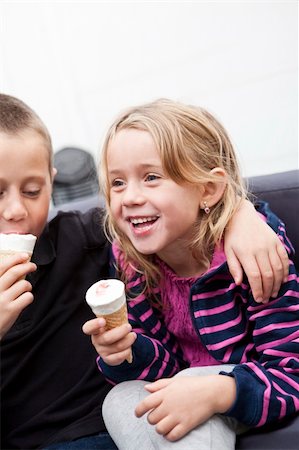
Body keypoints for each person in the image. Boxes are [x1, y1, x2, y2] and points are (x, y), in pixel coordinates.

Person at [83, 99, 299, 450]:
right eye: (117, 183)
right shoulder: (132, 264)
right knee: (121, 399)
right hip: (185, 388)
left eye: (151, 177)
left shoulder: (254, 254)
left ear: (208, 190)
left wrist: (218, 391)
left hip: (245, 388)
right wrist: (128, 350)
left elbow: (291, 372)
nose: (130, 197)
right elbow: (166, 369)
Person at [0, 93, 118, 450]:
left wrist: (242, 218)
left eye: (33, 191)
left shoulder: (79, 236)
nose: (16, 210)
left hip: (105, 421)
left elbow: (167, 215)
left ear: (52, 182)